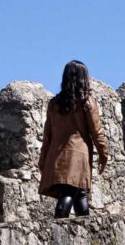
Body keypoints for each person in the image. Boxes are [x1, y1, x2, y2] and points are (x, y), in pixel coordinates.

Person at [38, 60, 108, 218]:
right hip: (78, 156)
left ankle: (87, 235)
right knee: (70, 191)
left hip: (58, 155)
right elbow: (96, 131)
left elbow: (48, 135)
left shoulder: (54, 104)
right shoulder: (86, 102)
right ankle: (59, 230)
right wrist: (104, 154)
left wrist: (43, 159)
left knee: (80, 193)